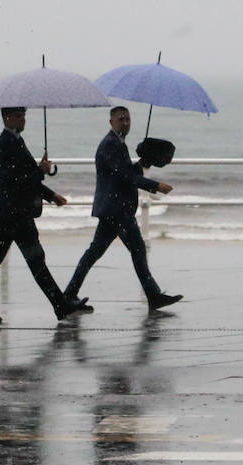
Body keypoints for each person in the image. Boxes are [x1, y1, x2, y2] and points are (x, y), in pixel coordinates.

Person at [62, 106, 183, 312]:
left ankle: (69, 294)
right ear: (111, 122)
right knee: (136, 249)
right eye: (120, 119)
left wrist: (143, 162)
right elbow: (123, 177)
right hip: (116, 209)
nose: (125, 122)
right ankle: (153, 295)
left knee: (95, 252)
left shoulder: (118, 144)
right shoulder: (110, 144)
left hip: (113, 208)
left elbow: (124, 171)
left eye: (127, 119)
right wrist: (154, 185)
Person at [0, 107, 79, 325]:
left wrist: (50, 194)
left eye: (24, 115)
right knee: (29, 260)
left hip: (11, 213)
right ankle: (60, 306)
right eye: (19, 116)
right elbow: (12, 181)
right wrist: (40, 171)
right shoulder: (7, 143)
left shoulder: (15, 140)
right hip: (12, 214)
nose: (23, 119)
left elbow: (25, 177)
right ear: (7, 118)